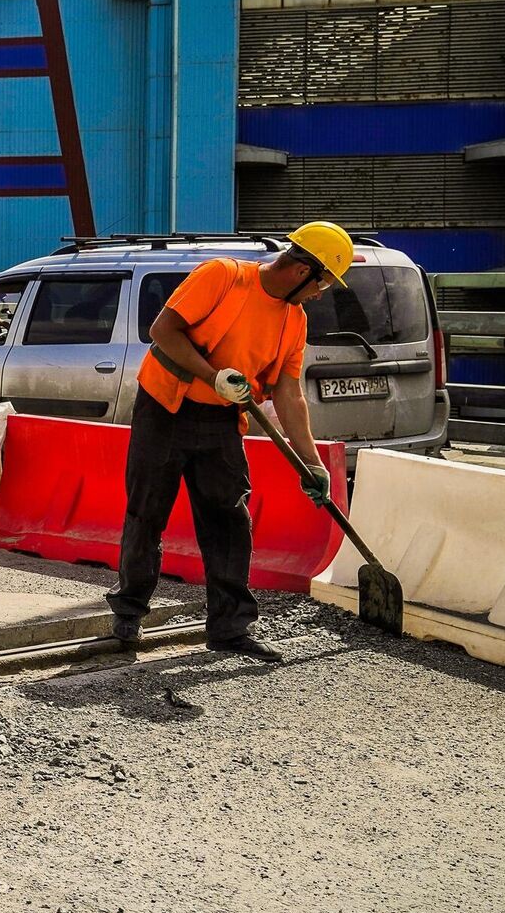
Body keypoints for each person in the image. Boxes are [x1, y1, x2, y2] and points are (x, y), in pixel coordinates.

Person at [107, 222, 354, 663]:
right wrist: (212, 375)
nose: (321, 294)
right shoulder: (222, 275)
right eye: (324, 284)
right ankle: (128, 611)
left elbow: (289, 393)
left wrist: (312, 463)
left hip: (221, 421)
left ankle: (230, 628)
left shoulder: (294, 320)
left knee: (229, 520)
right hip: (166, 408)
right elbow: (163, 331)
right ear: (303, 271)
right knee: (147, 512)